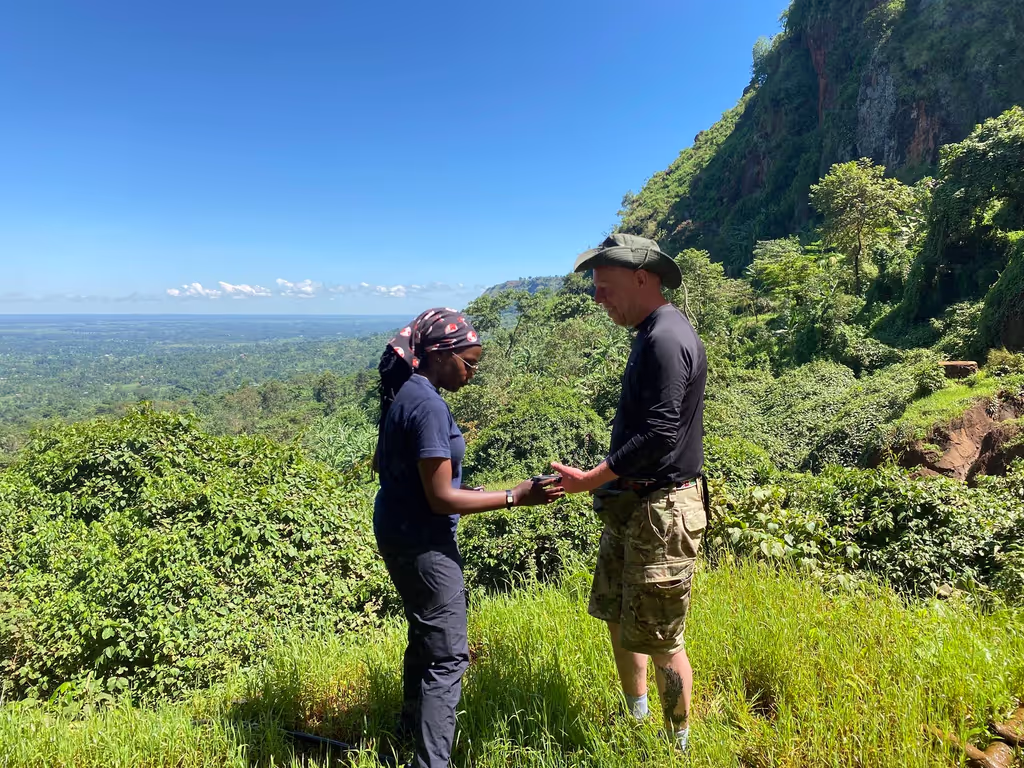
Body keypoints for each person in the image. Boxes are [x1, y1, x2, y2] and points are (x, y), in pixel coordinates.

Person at [373, 307, 563, 768]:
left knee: (424, 635)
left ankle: (405, 731)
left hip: (397, 530)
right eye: (469, 362)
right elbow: (440, 498)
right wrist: (513, 496)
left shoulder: (407, 394)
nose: (473, 373)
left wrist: (466, 491)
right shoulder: (430, 407)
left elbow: (390, 469)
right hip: (425, 544)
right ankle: (432, 761)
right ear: (439, 355)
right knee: (448, 658)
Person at [551, 234, 708, 752]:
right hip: (634, 505)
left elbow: (661, 434)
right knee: (619, 615)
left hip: (663, 510)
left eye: (604, 287)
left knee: (662, 639)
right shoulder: (650, 332)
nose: (598, 299)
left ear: (642, 278)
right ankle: (638, 720)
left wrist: (590, 478)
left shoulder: (665, 337)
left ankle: (679, 746)